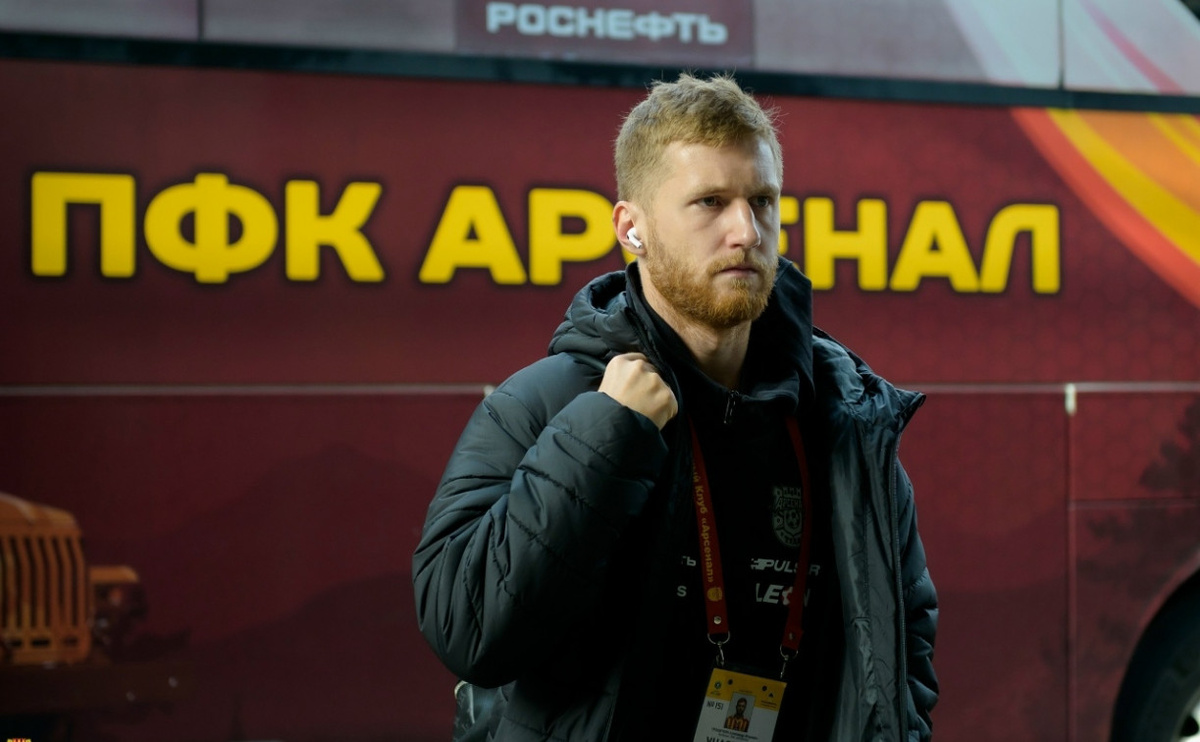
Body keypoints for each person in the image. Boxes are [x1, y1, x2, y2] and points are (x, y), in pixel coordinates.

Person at [413, 73, 938, 741]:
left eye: (762, 201)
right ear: (631, 228)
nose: (745, 230)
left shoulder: (844, 419)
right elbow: (466, 629)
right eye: (710, 202)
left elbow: (901, 647)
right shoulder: (553, 403)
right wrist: (604, 435)